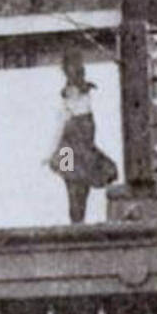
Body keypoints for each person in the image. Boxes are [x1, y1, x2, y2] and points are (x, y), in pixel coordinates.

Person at [46, 48, 117, 224]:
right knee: (74, 183)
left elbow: (60, 128)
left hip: (74, 148)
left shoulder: (77, 99)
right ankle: (77, 220)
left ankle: (77, 220)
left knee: (76, 183)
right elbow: (61, 128)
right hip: (72, 148)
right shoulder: (77, 99)